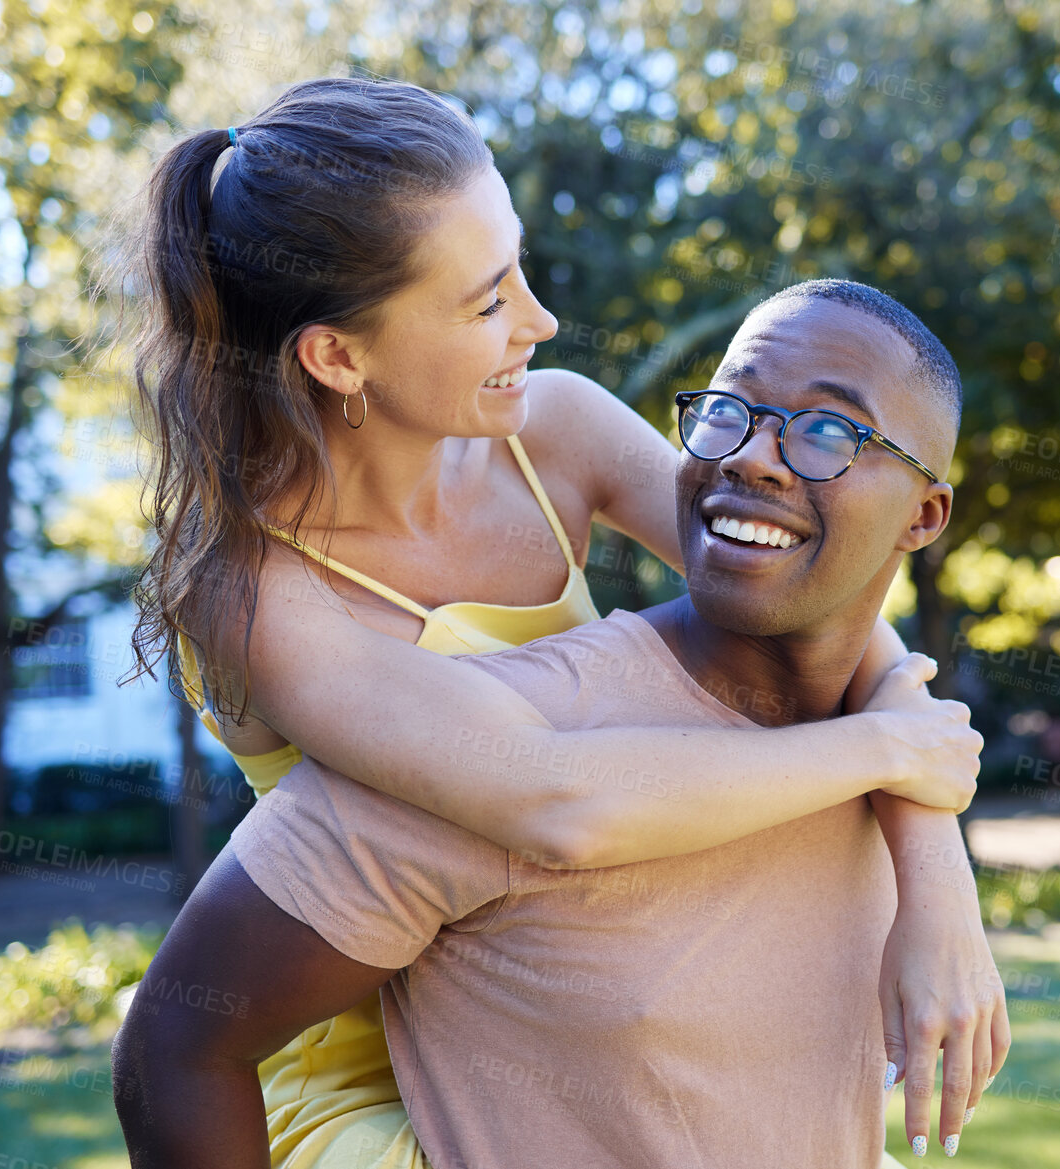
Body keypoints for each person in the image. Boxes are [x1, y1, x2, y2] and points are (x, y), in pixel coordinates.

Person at [117, 77, 1000, 1168]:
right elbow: (551, 797)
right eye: (485, 302)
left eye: (518, 269)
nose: (537, 320)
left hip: (551, 984)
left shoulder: (555, 430)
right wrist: (879, 748)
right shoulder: (250, 585)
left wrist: (934, 873)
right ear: (338, 356)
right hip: (356, 1067)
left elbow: (810, 594)